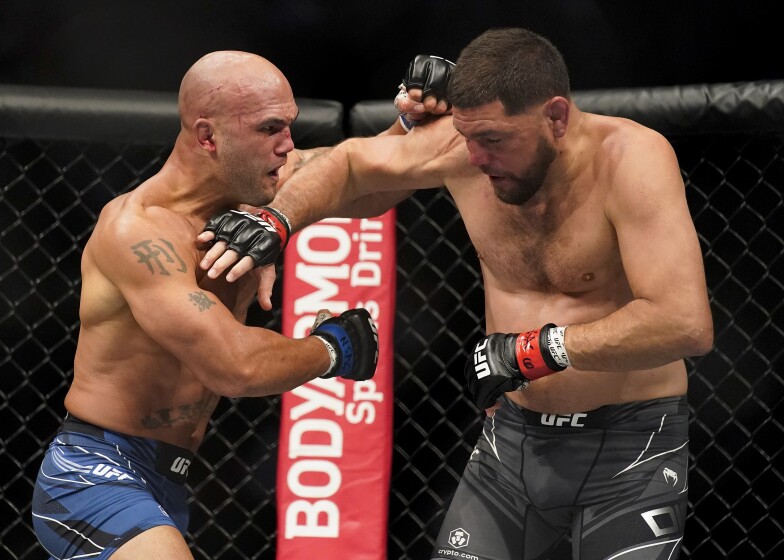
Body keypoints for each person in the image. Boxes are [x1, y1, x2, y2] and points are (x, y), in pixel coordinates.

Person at [199, 29, 714, 560]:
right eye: (468, 136)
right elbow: (351, 165)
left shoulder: (630, 159)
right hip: (512, 444)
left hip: (632, 449)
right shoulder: (467, 149)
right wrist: (275, 221)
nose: (475, 156)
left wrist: (536, 349)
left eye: (493, 139)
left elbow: (684, 323)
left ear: (556, 117)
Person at [30, 51, 381, 560]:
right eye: (269, 128)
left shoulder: (256, 193)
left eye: (290, 126)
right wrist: (332, 349)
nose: (288, 146)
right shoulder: (139, 229)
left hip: (170, 479)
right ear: (208, 137)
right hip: (93, 474)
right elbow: (233, 367)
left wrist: (410, 120)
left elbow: (370, 177)